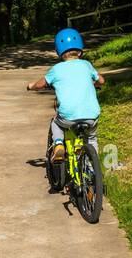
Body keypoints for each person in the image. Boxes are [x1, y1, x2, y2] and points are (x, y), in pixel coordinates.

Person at [26, 27, 105, 163]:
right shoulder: (86, 65)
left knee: (56, 123)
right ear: (80, 51)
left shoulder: (56, 69)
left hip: (68, 116)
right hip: (92, 115)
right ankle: (93, 171)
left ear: (58, 51)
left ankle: (58, 144)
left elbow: (40, 84)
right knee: (91, 139)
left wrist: (31, 86)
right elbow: (101, 81)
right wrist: (94, 84)